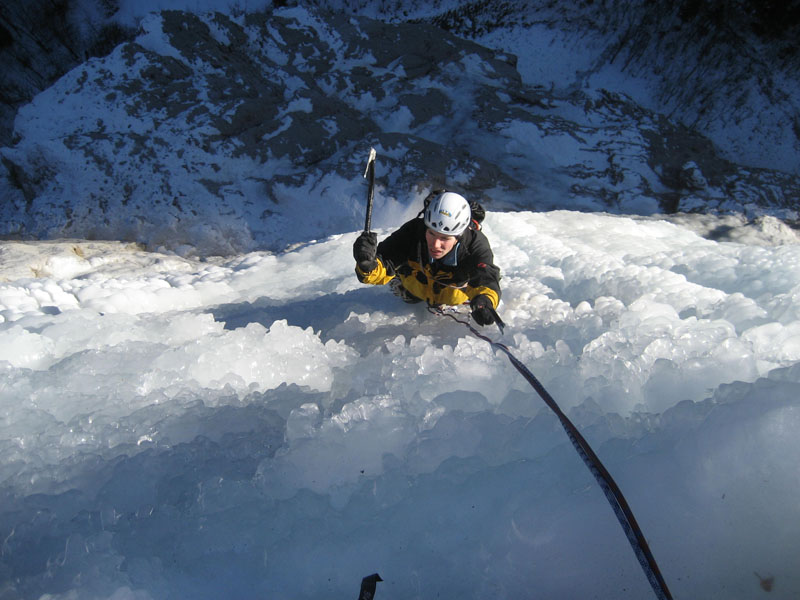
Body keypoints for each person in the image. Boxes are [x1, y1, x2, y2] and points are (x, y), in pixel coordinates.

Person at [352, 190, 501, 326]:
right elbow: (385, 260)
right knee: (410, 297)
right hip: (417, 287)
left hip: (449, 294)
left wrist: (484, 301)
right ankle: (402, 283)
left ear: (459, 235)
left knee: (421, 294)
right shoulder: (413, 232)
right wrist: (367, 265)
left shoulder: (475, 246)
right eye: (431, 233)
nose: (436, 244)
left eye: (444, 238)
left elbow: (486, 277)